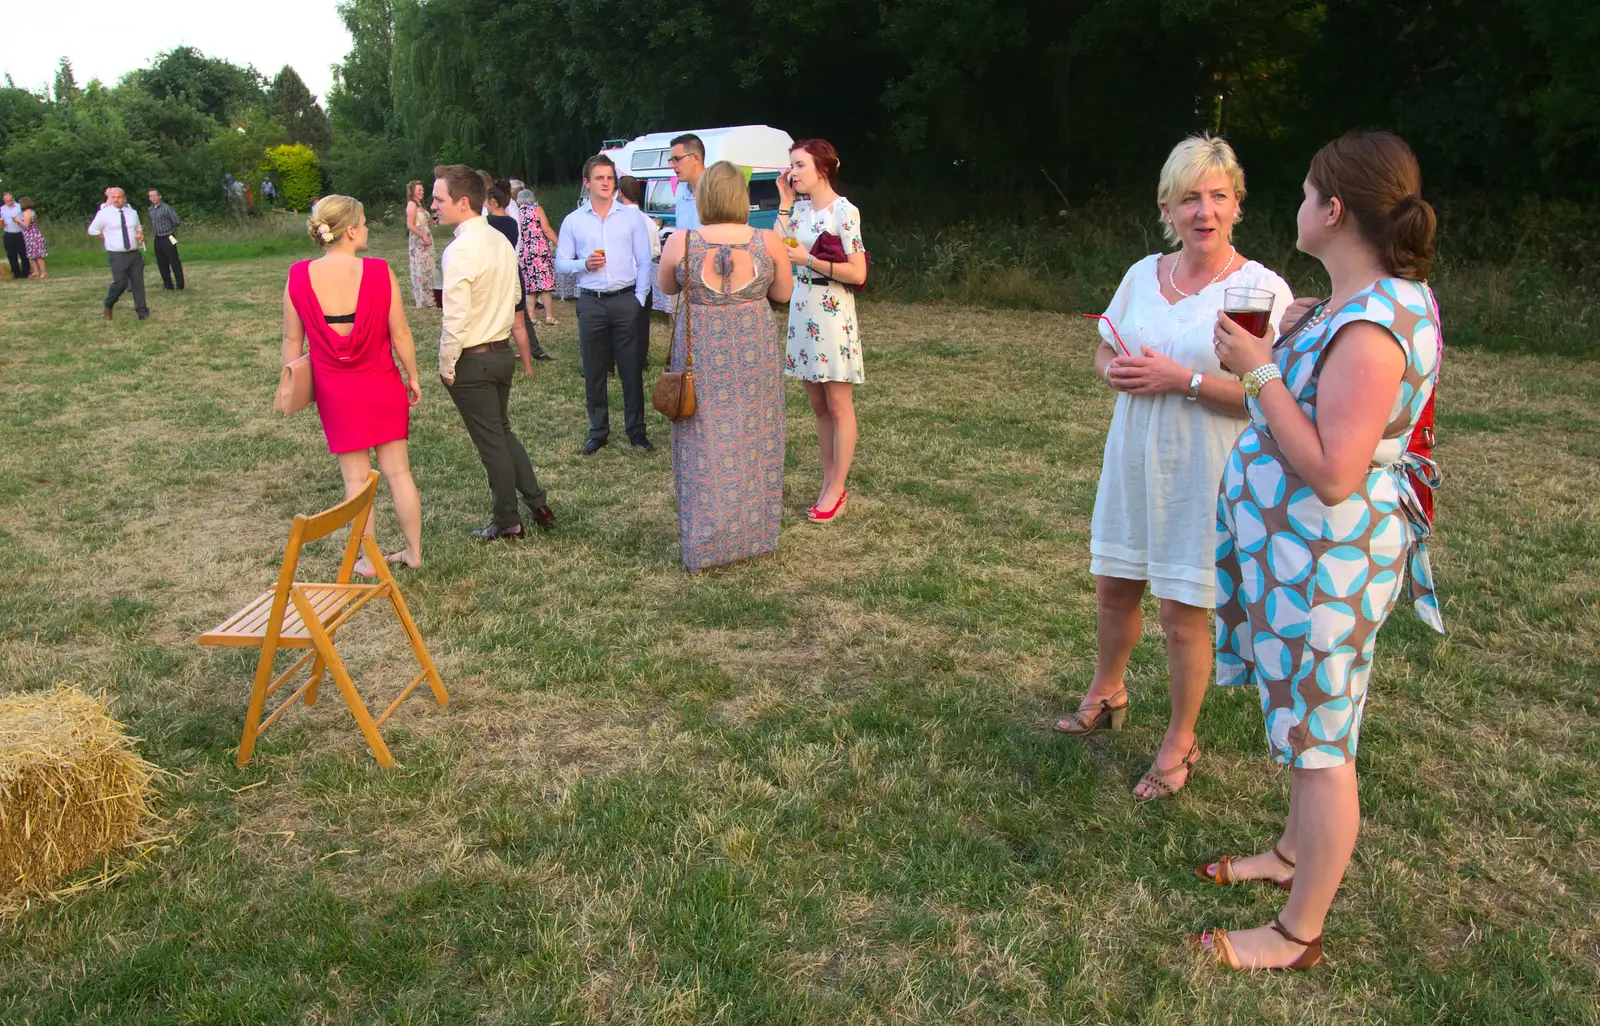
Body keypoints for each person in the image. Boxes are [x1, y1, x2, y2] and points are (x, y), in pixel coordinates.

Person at [1196, 131, 1444, 972]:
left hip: (1326, 558)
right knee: (1309, 725)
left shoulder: (1376, 326)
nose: (1295, 208)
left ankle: (1299, 932)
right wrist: (1300, 334)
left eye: (1304, 194)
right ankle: (1292, 856)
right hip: (1300, 559)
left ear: (1333, 211)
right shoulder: (1354, 307)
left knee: (1323, 746)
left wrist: (1262, 369)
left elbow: (1334, 471)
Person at [1052, 136, 1293, 800]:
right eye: (1191, 198)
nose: (1205, 211)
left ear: (1238, 205)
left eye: (1218, 196)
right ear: (1168, 206)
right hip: (1132, 455)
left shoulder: (1258, 289)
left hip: (1203, 466)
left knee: (1184, 611)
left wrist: (1181, 379)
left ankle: (1180, 739)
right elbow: (1105, 353)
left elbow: (1265, 394)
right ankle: (1107, 689)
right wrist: (1119, 371)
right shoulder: (1141, 275)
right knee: (1114, 584)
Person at [658, 162, 795, 572]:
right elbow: (783, 294)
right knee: (757, 435)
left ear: (704, 197)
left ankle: (706, 542)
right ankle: (752, 536)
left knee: (701, 441)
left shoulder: (681, 240)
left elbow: (666, 287)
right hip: (753, 351)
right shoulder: (766, 239)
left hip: (700, 351)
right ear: (741, 197)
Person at [279, 195, 425, 575]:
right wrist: (412, 374)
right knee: (398, 473)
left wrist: (291, 382)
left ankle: (368, 559)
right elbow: (401, 333)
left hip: (336, 393)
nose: (368, 228)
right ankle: (413, 551)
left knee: (355, 481)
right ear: (351, 230)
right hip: (381, 384)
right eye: (364, 221)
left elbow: (292, 341)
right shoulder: (378, 271)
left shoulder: (297, 276)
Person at [433, 163, 556, 539]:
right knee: (501, 431)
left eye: (439, 199)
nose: (433, 206)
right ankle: (537, 502)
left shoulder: (459, 250)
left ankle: (507, 521)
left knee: (492, 443)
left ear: (462, 202)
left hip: (475, 358)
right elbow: (517, 297)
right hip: (502, 353)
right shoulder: (501, 240)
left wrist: (446, 364)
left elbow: (455, 318)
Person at [775, 138, 868, 523]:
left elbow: (858, 273)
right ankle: (829, 479)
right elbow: (776, 246)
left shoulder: (844, 212)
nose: (793, 173)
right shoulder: (796, 211)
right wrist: (782, 198)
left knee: (838, 404)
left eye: (799, 166)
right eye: (791, 166)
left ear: (822, 168)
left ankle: (837, 487)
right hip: (802, 308)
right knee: (817, 404)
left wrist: (811, 261)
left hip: (832, 312)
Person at [555, 154, 655, 455]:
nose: (606, 183)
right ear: (587, 183)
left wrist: (639, 298)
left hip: (625, 299)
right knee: (595, 370)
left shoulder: (631, 217)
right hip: (591, 302)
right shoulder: (573, 221)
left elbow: (645, 260)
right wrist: (582, 264)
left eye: (610, 178)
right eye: (599, 178)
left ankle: (636, 430)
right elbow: (561, 263)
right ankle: (598, 431)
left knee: (631, 369)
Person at [487, 186, 552, 362]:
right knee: (521, 318)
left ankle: (498, 353)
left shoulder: (487, 222)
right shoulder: (512, 222)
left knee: (503, 316)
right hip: (513, 269)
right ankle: (532, 354)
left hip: (497, 271)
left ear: (492, 201)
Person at [616, 175, 661, 366]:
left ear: (620, 193)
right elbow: (657, 249)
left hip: (623, 278)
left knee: (619, 324)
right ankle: (640, 360)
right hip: (644, 277)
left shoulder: (617, 219)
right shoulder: (649, 222)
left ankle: (618, 359)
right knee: (642, 322)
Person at [87, 187, 149, 321]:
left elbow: (138, 228)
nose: (116, 200)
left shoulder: (132, 213)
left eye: (118, 197)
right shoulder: (104, 213)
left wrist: (140, 236)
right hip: (116, 254)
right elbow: (92, 229)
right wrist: (104, 237)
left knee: (138, 284)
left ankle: (142, 312)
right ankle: (108, 304)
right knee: (120, 283)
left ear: (124, 199)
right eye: (113, 197)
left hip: (134, 253)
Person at [515, 187, 559, 326]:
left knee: (529, 283)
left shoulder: (516, 212)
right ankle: (549, 316)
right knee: (544, 283)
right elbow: (546, 229)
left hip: (524, 251)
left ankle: (532, 317)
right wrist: (559, 243)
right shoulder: (536, 209)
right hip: (539, 250)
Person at [404, 181, 437, 308]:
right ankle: (423, 299)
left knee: (429, 266)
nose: (422, 192)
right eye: (419, 190)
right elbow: (410, 225)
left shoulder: (421, 205)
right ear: (413, 192)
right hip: (418, 241)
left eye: (422, 190)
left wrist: (432, 221)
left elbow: (424, 222)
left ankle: (431, 296)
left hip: (427, 238)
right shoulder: (412, 205)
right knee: (421, 267)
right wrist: (422, 235)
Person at [147, 189, 184, 291]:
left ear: (159, 197)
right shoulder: (150, 210)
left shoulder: (166, 208)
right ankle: (167, 284)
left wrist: (170, 231)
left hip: (169, 237)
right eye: (151, 196)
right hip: (158, 238)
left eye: (155, 195)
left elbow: (176, 221)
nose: (153, 198)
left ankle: (180, 284)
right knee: (161, 262)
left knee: (174, 260)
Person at [669, 133, 706, 233]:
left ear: (695, 158)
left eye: (677, 159)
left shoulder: (721, 194)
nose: (672, 165)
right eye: (671, 160)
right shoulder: (681, 201)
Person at [18, 199, 48, 279]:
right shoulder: (24, 213)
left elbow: (26, 224)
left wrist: (18, 220)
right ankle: (36, 272)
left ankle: (43, 272)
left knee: (38, 255)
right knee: (31, 255)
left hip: (33, 235)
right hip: (28, 236)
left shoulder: (28, 212)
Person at [1, 193, 25, 279]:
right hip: (8, 233)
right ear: (4, 201)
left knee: (23, 253)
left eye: (11, 200)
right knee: (11, 254)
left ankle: (26, 272)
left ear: (13, 198)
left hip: (20, 232)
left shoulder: (19, 206)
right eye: (7, 201)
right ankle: (16, 273)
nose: (10, 202)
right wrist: (2, 224)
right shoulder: (2, 209)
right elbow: (1, 220)